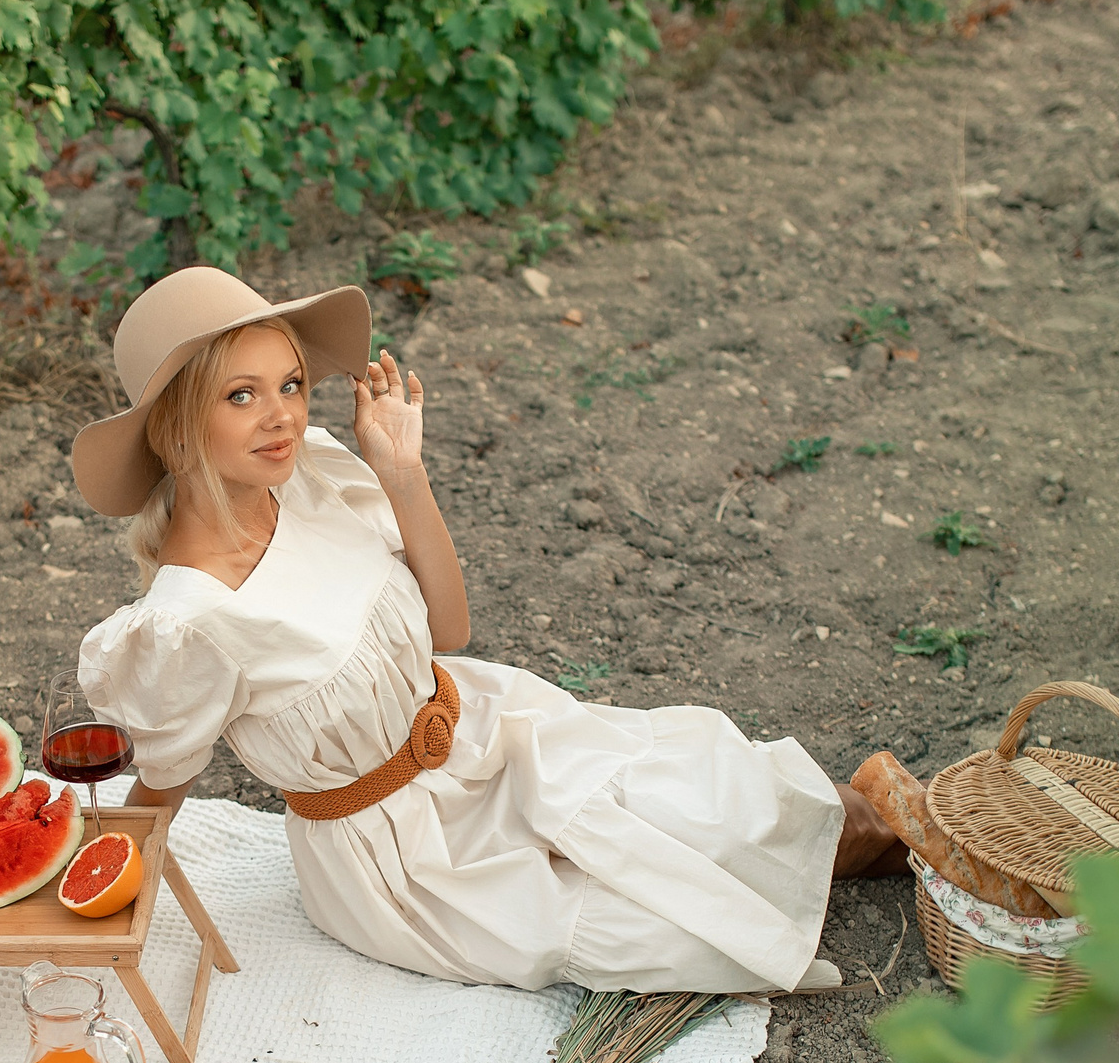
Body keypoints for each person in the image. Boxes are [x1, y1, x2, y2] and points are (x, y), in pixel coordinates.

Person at [72, 267, 905, 994]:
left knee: (713, 803)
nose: (282, 416)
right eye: (241, 395)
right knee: (663, 924)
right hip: (400, 855)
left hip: (482, 733)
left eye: (290, 384)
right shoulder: (183, 623)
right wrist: (88, 886)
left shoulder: (311, 476)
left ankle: (915, 826)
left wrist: (402, 473)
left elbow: (450, 626)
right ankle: (916, 838)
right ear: (176, 425)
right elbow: (161, 790)